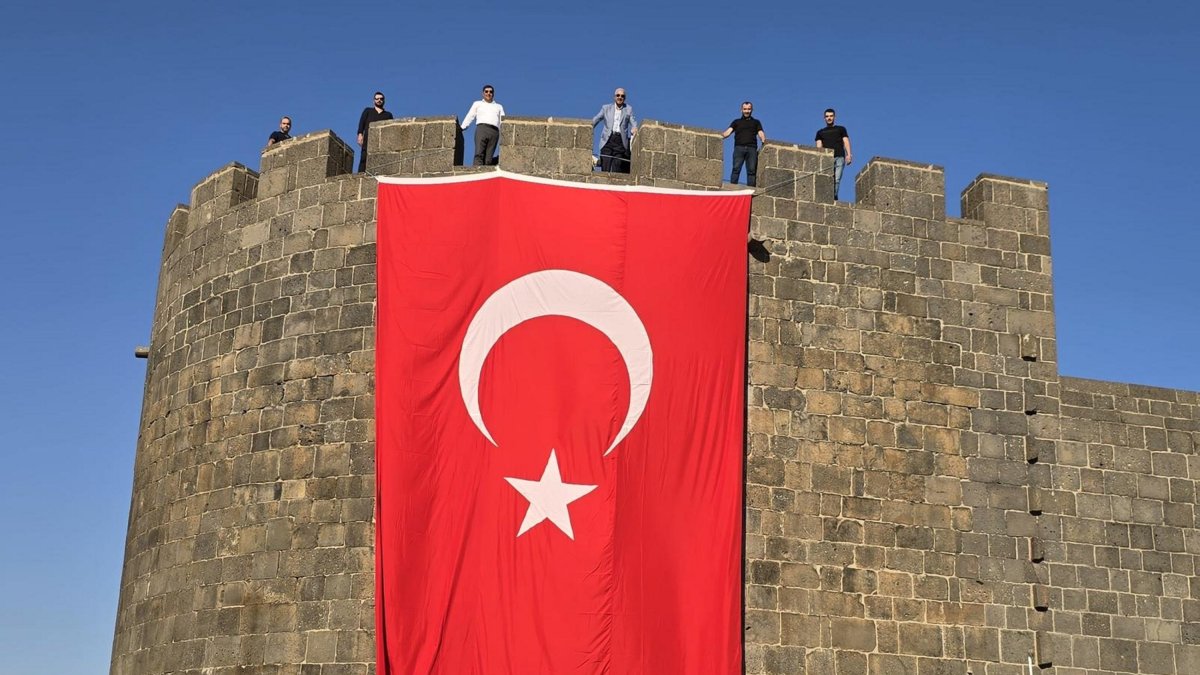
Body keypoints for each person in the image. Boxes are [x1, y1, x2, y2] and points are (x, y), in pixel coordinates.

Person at [592, 88, 637, 173]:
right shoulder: (606, 108)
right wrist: (588, 127)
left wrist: (634, 128)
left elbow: (633, 122)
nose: (620, 97)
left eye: (622, 96)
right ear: (614, 97)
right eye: (618, 95)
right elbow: (596, 119)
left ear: (625, 98)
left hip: (620, 141)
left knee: (618, 165)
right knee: (605, 164)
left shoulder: (628, 109)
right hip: (608, 140)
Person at [721, 102, 766, 186]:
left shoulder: (756, 122)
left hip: (751, 148)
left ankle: (751, 191)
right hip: (739, 148)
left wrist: (763, 140)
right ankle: (732, 189)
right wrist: (720, 137)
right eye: (745, 109)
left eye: (749, 109)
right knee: (736, 169)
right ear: (741, 110)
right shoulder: (736, 122)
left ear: (752, 110)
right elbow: (728, 132)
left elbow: (760, 132)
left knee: (751, 171)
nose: (747, 111)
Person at [461, 85, 505, 166]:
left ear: (493, 94)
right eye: (486, 91)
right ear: (483, 93)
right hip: (482, 129)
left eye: (491, 92)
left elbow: (502, 120)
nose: (488, 93)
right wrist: (462, 127)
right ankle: (477, 173)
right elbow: (470, 116)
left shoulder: (499, 106)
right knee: (479, 153)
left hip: (494, 132)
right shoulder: (477, 104)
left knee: (488, 158)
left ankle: (487, 175)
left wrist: (504, 133)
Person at [814, 108, 852, 200]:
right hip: (827, 158)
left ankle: (832, 197)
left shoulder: (841, 129)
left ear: (834, 117)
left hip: (839, 156)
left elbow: (846, 141)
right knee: (827, 178)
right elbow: (819, 147)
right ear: (824, 118)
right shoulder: (820, 132)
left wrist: (849, 154)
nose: (829, 118)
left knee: (837, 179)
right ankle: (829, 197)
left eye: (831, 116)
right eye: (827, 116)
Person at [357, 91, 394, 173]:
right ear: (374, 101)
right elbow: (361, 122)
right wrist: (360, 134)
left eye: (381, 99)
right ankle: (360, 177)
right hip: (368, 139)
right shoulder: (368, 111)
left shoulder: (388, 115)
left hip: (382, 142)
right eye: (377, 99)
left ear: (384, 101)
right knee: (364, 158)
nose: (379, 100)